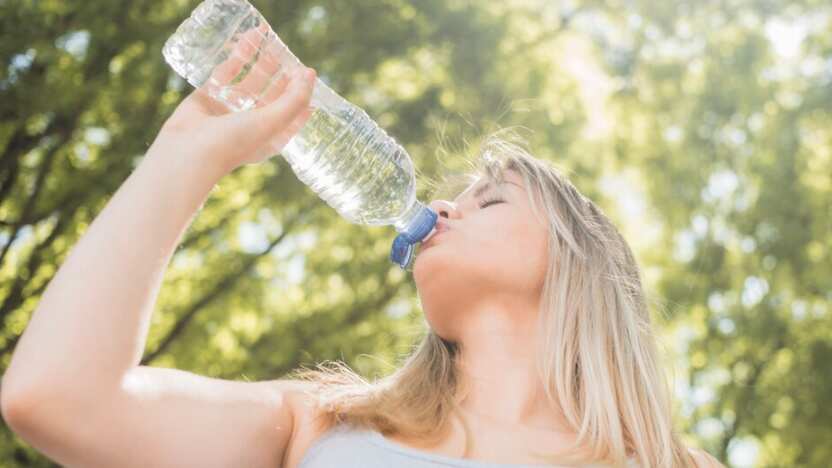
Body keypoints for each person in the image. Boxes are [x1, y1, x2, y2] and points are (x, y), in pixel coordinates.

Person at [0, 53, 723, 467]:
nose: (443, 209)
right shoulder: (318, 426)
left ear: (581, 266)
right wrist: (184, 156)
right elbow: (57, 398)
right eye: (449, 197)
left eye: (491, 200)